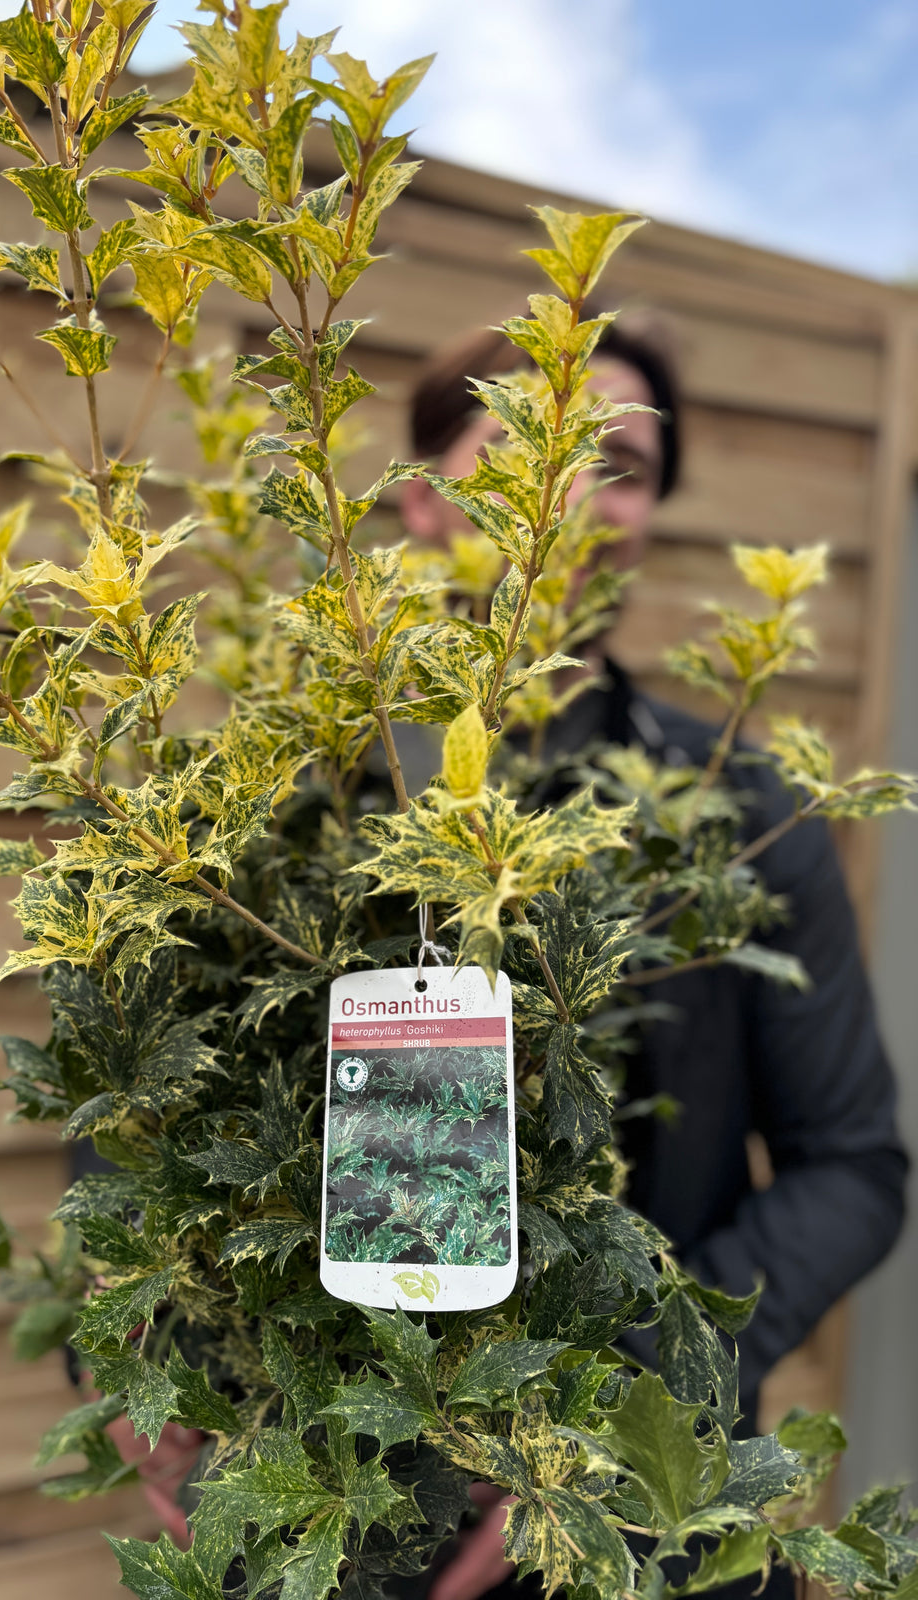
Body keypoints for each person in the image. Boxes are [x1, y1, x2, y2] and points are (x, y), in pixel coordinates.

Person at [394, 315, 907, 1600]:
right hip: (348, 1513)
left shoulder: (742, 815)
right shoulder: (282, 805)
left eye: (619, 464)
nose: (575, 491)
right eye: (527, 444)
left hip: (649, 1525)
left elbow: (853, 1167)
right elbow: (134, 1138)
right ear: (421, 498)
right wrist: (157, 1379)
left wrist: (629, 1395)